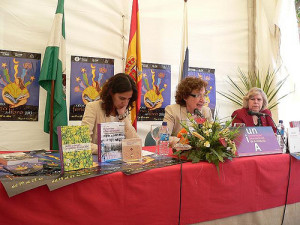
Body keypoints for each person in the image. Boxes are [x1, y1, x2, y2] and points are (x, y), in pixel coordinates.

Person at [82, 73, 139, 154]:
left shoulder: (125, 110)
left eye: (128, 99)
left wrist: (123, 117)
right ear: (111, 93)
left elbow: (134, 142)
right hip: (98, 161)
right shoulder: (93, 107)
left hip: (120, 162)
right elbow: (84, 144)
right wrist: (111, 149)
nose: (125, 103)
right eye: (122, 98)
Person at [163, 77, 213, 147]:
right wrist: (184, 141)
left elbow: (213, 136)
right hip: (179, 154)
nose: (203, 100)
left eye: (204, 95)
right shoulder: (172, 110)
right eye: (198, 95)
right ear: (185, 97)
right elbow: (163, 137)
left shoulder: (206, 111)